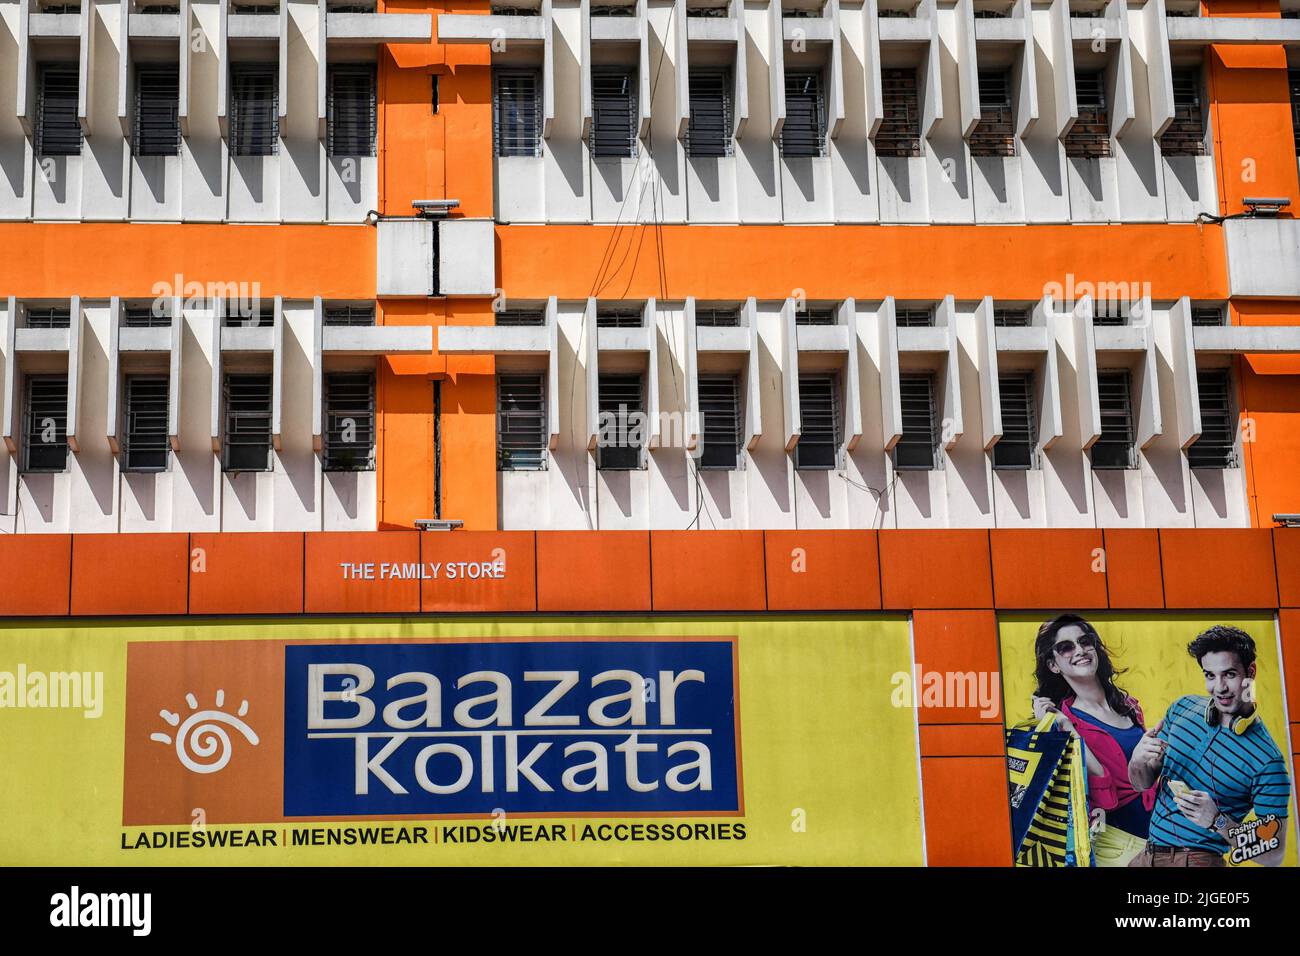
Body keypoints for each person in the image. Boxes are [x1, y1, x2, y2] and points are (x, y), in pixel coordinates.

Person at [1129, 625, 1291, 867]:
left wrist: (1217, 821)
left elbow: (1274, 855)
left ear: (1251, 672)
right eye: (1210, 675)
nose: (1220, 687)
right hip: (1147, 855)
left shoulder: (1268, 762)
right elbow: (1141, 784)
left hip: (1198, 862)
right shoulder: (1181, 708)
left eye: (1230, 674)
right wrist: (1137, 760)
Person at [1030, 614, 1156, 867]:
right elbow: (1106, 797)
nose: (1080, 650)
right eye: (1066, 647)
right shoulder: (1064, 722)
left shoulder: (1128, 705)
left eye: (1085, 641)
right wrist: (1067, 731)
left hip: (1159, 835)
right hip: (1118, 845)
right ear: (1054, 665)